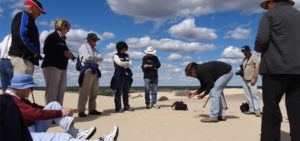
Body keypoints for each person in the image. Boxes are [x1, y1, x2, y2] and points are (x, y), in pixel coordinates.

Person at [3, 74, 119, 141]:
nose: (32, 90)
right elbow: (36, 114)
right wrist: (60, 113)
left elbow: (36, 108)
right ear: (22, 88)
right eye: (30, 88)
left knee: (53, 104)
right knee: (62, 137)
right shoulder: (11, 101)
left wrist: (58, 111)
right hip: (25, 135)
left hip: (31, 128)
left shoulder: (17, 97)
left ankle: (76, 133)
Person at [255, 0, 300, 140]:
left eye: (267, 4)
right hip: (298, 69)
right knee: (296, 110)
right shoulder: (298, 15)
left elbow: (261, 40)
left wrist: (257, 48)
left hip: (274, 69)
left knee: (271, 109)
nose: (267, 7)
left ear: (272, 1)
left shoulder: (269, 15)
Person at [9, 0, 45, 76]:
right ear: (32, 8)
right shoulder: (24, 15)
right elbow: (21, 35)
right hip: (22, 57)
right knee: (21, 86)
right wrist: (34, 51)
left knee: (25, 86)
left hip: (26, 58)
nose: (39, 15)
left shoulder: (29, 20)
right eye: (39, 11)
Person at [41, 19, 73, 106]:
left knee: (61, 92)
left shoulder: (63, 40)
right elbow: (46, 50)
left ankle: (58, 114)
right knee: (52, 92)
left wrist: (70, 55)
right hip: (51, 66)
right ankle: (50, 115)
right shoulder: (52, 37)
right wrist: (62, 53)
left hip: (62, 67)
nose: (68, 31)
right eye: (68, 28)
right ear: (63, 27)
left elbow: (65, 51)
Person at [77, 33, 103, 117]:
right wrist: (95, 57)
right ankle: (81, 111)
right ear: (89, 40)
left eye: (96, 40)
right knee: (84, 92)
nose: (96, 42)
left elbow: (101, 57)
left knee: (94, 92)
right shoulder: (83, 47)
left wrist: (93, 56)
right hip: (87, 70)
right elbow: (87, 58)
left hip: (95, 70)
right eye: (94, 40)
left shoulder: (94, 49)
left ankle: (92, 109)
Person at [110, 41, 134, 113]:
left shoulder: (127, 55)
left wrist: (124, 64)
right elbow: (119, 63)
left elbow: (131, 64)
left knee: (126, 92)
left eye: (125, 49)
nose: (124, 50)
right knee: (119, 92)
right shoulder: (116, 55)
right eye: (123, 49)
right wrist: (126, 64)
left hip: (127, 75)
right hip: (119, 75)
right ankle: (118, 107)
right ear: (119, 49)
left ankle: (126, 106)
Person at [240, 45, 261, 117]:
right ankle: (251, 109)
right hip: (245, 80)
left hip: (252, 79)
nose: (244, 53)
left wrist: (254, 78)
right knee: (248, 95)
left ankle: (257, 111)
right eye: (243, 52)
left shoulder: (254, 57)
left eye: (245, 51)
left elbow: (257, 67)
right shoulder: (244, 59)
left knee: (254, 95)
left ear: (249, 51)